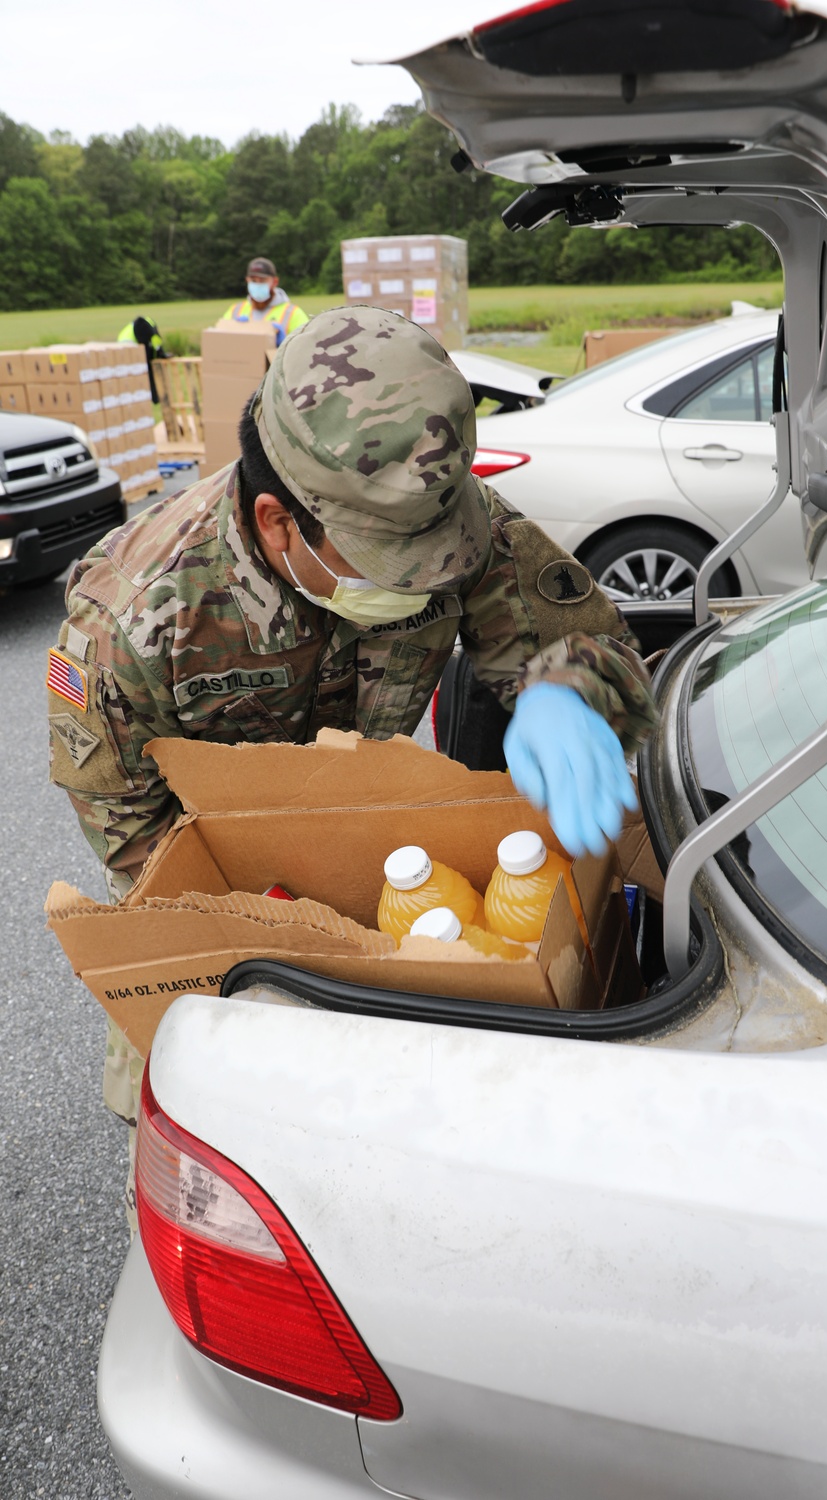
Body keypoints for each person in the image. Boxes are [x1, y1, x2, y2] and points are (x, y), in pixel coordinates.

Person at [48, 306, 656, 1226]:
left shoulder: (440, 517)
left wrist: (563, 687)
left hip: (387, 896)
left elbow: (588, 639)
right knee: (222, 1194)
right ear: (276, 522)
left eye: (429, 561)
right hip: (225, 936)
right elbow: (137, 846)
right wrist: (286, 946)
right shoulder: (132, 621)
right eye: (389, 563)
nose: (419, 582)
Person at [222, 255, 309, 344]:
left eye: (262, 280)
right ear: (247, 280)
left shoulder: (293, 313)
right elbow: (220, 341)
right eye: (253, 280)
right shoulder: (235, 310)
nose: (257, 285)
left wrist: (284, 345)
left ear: (275, 282)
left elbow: (307, 347)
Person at [117, 314, 168, 403]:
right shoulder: (148, 328)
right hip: (129, 349)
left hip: (122, 349)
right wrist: (161, 354)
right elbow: (155, 342)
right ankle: (151, 397)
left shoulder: (137, 326)